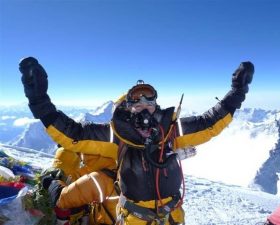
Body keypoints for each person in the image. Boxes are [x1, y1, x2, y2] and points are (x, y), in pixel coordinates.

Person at [19, 57, 254, 225]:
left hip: (173, 218)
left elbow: (209, 123)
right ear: (127, 108)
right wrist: (39, 99)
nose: (144, 105)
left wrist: (236, 93)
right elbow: (73, 133)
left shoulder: (171, 130)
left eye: (149, 100)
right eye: (136, 101)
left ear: (156, 106)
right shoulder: (115, 136)